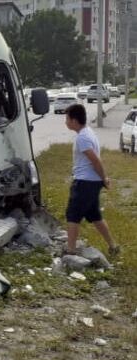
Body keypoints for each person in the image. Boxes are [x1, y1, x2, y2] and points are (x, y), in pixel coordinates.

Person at [63, 104, 119, 256]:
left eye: (67, 119)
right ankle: (113, 246)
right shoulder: (88, 133)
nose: (66, 122)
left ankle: (71, 250)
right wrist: (101, 180)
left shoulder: (83, 138)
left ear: (74, 120)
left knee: (73, 215)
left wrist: (105, 178)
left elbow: (95, 161)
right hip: (91, 182)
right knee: (95, 215)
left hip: (84, 183)